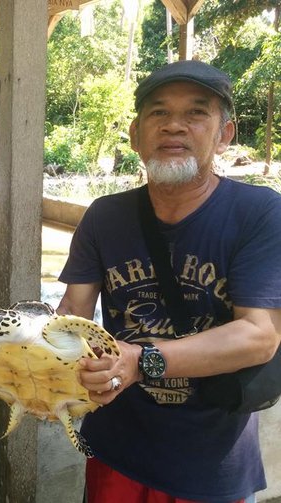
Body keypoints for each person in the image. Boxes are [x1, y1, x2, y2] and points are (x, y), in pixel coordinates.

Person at [56, 60, 281, 502]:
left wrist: (142, 361)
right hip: (115, 448)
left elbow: (259, 336)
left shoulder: (260, 213)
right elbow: (71, 318)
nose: (174, 125)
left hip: (211, 462)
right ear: (136, 134)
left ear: (225, 134)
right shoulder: (104, 216)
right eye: (158, 112)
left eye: (196, 113)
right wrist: (20, 363)